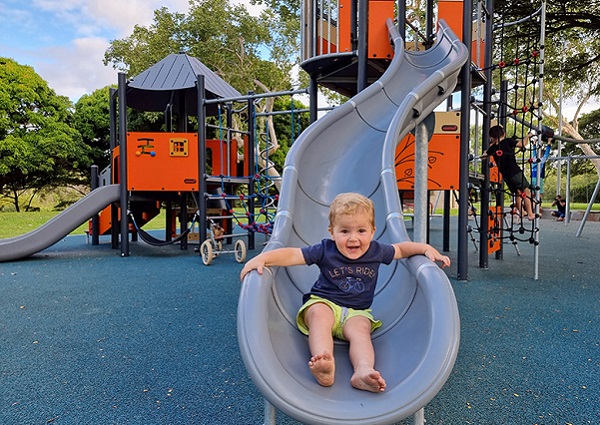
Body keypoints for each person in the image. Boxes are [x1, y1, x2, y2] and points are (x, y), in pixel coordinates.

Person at [239, 192, 450, 393]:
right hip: (326, 302)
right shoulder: (325, 249)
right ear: (332, 232)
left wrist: (425, 248)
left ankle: (363, 370)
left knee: (361, 333)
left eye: (361, 231)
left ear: (372, 231)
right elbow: (293, 255)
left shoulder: (376, 250)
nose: (353, 238)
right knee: (319, 314)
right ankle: (324, 361)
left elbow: (402, 250)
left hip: (357, 312)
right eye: (344, 231)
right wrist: (263, 259)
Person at [480, 125, 536, 220]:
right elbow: (522, 144)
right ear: (504, 134)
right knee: (526, 192)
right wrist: (528, 136)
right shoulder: (507, 141)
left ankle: (521, 212)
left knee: (518, 193)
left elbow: (483, 157)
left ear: (492, 138)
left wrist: (487, 152)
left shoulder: (493, 148)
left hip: (506, 176)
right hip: (515, 172)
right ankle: (530, 214)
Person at [531, 135, 552, 206]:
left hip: (533, 178)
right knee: (539, 194)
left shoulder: (534, 158)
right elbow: (547, 152)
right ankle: (537, 205)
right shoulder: (542, 160)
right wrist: (549, 142)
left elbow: (534, 152)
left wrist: (534, 144)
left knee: (533, 194)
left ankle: (535, 205)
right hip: (538, 178)